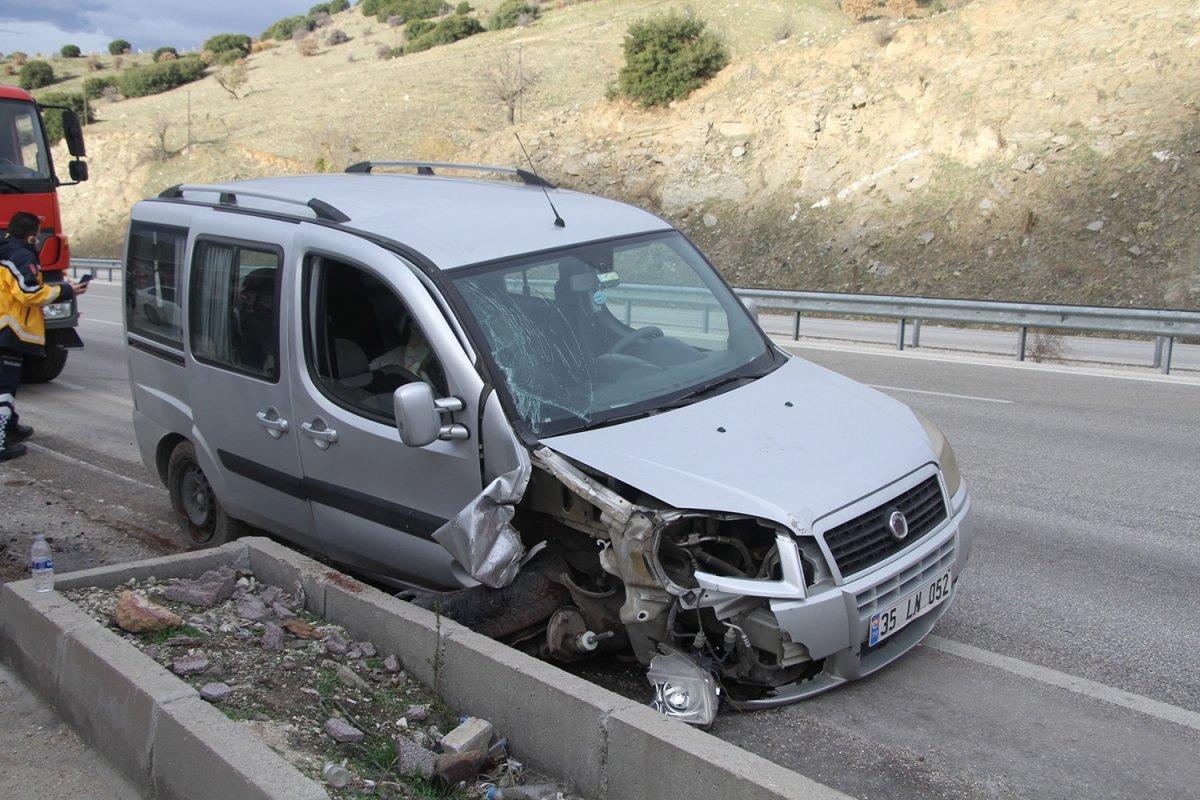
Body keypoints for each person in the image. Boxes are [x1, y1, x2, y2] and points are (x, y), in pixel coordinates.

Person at [0, 211, 88, 462]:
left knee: (4, 382)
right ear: (31, 236)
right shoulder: (21, 255)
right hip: (9, 330)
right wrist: (66, 290)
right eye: (38, 235)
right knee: (5, 386)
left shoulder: (6, 250)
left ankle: (10, 426)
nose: (38, 240)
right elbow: (28, 292)